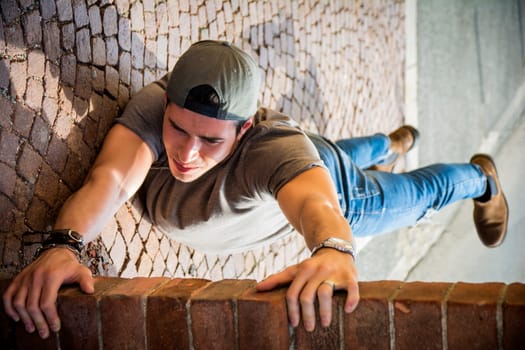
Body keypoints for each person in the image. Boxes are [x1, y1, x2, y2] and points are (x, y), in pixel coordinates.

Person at [3, 40, 508, 339]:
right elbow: (110, 179)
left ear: (244, 131)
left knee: (414, 197)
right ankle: (389, 142)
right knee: (331, 149)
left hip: (338, 190)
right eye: (178, 129)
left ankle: (479, 179)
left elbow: (315, 201)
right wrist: (63, 246)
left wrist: (334, 247)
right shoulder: (155, 103)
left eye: (210, 140)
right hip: (308, 153)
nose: (187, 153)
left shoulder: (271, 148)